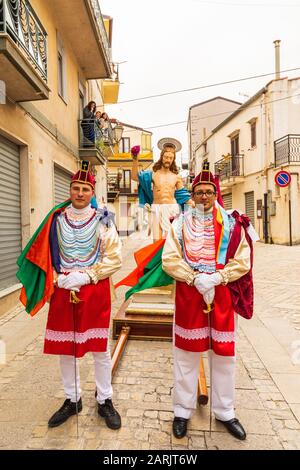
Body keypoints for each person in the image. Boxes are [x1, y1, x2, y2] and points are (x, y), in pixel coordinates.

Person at [17, 161, 122, 430]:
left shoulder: (104, 219)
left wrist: (87, 275)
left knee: (99, 349)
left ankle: (105, 400)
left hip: (94, 288)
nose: (79, 193)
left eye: (85, 189)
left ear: (92, 191)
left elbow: (114, 258)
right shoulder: (57, 218)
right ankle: (72, 398)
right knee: (66, 349)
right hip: (63, 288)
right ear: (69, 189)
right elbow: (44, 255)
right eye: (75, 188)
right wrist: (56, 278)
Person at [162, 162, 258, 441]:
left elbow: (243, 260)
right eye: (199, 192)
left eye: (209, 191)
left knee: (224, 356)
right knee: (185, 355)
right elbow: (169, 259)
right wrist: (193, 278)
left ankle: (225, 411)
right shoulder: (179, 224)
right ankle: (182, 411)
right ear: (192, 195)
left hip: (222, 293)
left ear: (217, 194)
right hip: (188, 294)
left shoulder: (232, 223)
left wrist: (218, 277)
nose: (204, 196)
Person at [131, 138, 192, 241]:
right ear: (161, 157)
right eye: (166, 157)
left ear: (173, 160)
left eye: (170, 158)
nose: (168, 160)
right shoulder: (153, 174)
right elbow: (134, 177)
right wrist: (135, 159)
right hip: (156, 208)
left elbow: (183, 194)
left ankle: (170, 257)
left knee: (171, 240)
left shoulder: (176, 176)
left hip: (172, 208)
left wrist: (194, 204)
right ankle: (159, 257)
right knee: (156, 240)